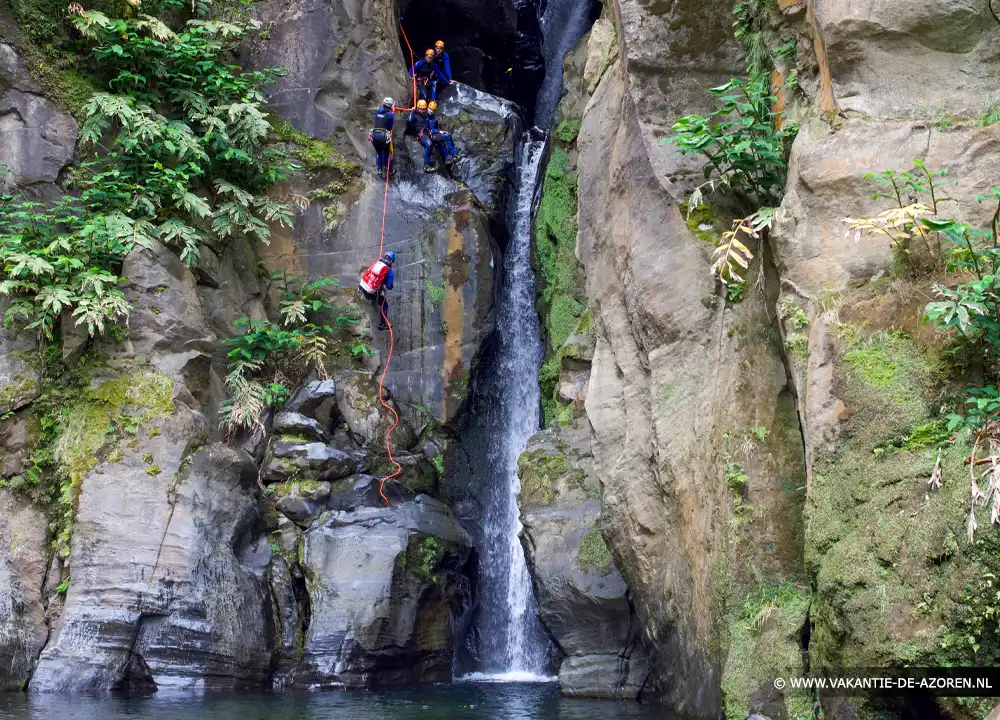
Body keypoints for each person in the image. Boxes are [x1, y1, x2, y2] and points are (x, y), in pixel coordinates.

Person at [359, 251, 396, 331]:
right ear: (391, 261)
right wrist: (384, 284)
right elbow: (389, 286)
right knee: (384, 304)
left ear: (385, 256)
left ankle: (360, 290)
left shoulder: (377, 262)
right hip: (371, 291)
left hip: (363, 285)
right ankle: (382, 324)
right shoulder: (389, 271)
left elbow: (368, 272)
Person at [408, 99, 436, 173]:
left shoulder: (426, 115)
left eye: (424, 109)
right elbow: (410, 120)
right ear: (418, 108)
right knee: (429, 144)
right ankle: (426, 166)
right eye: (421, 109)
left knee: (437, 142)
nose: (422, 110)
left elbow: (431, 118)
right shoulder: (415, 114)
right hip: (421, 134)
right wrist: (412, 111)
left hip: (427, 133)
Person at [427, 101, 459, 165]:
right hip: (429, 135)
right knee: (447, 136)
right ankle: (454, 154)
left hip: (433, 134)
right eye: (430, 109)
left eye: (433, 110)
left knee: (441, 143)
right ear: (428, 107)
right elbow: (428, 129)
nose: (431, 111)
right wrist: (439, 131)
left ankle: (447, 158)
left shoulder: (431, 116)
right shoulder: (425, 116)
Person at [369, 97, 394, 177]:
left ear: (383, 104)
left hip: (374, 135)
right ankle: (390, 170)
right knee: (386, 154)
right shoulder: (390, 115)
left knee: (379, 153)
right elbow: (389, 128)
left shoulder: (376, 112)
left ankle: (379, 171)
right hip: (383, 135)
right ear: (390, 106)